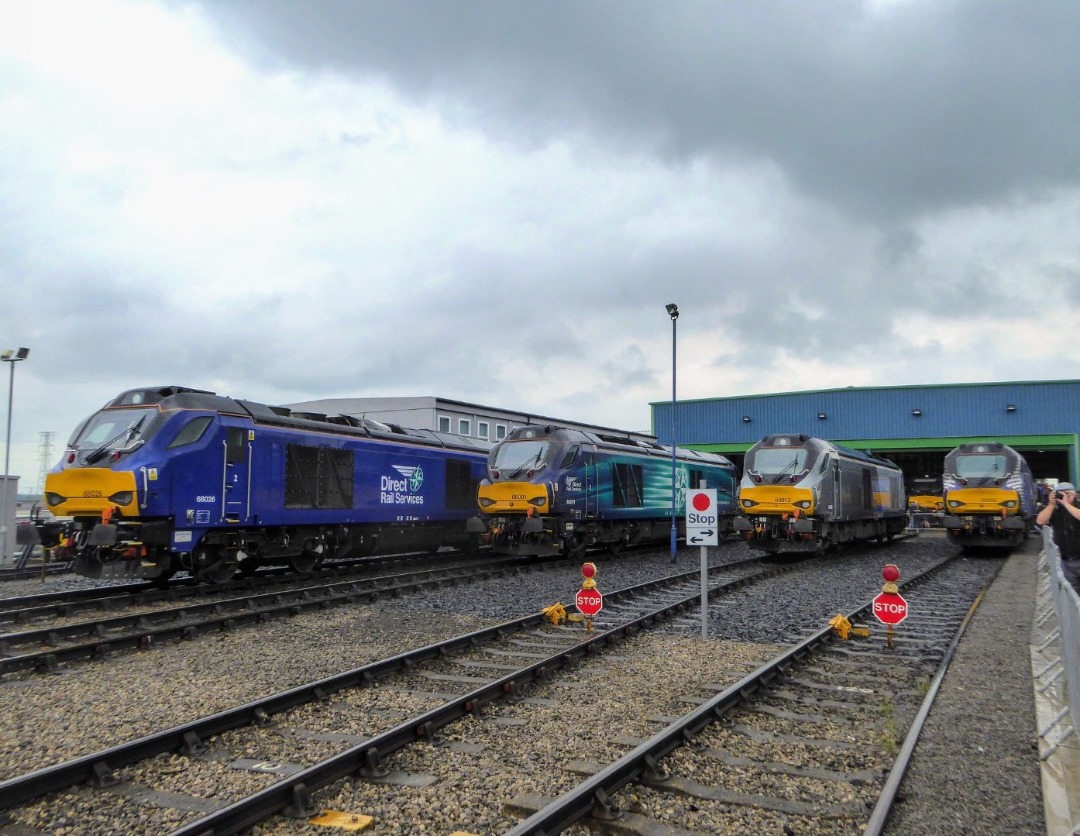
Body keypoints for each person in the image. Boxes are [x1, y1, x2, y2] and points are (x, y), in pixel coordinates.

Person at [1035, 482, 1080, 593]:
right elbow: (1040, 521)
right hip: (1066, 561)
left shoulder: (1078, 505)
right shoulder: (1055, 509)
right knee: (1071, 592)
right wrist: (1050, 504)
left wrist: (1066, 504)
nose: (1064, 496)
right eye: (1061, 494)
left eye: (1067, 493)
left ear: (1074, 494)